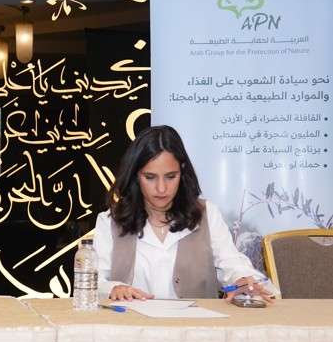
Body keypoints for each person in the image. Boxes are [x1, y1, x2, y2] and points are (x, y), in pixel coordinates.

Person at [93, 125, 277, 302]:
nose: (161, 188)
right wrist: (114, 288)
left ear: (182, 171)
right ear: (135, 175)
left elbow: (232, 263)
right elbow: (94, 281)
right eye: (150, 177)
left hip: (197, 323)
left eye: (170, 176)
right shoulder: (109, 221)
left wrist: (242, 280)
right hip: (132, 323)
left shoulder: (207, 214)